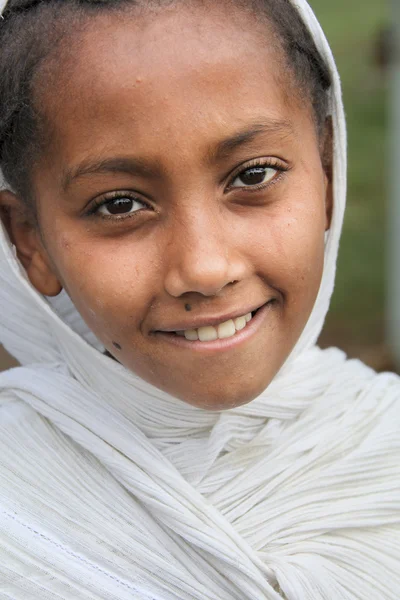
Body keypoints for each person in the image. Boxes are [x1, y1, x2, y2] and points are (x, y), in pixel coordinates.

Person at [0, 0, 398, 598]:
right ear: (29, 242)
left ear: (327, 171)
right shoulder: (17, 511)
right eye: (120, 204)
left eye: (254, 175)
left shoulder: (384, 443)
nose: (205, 269)